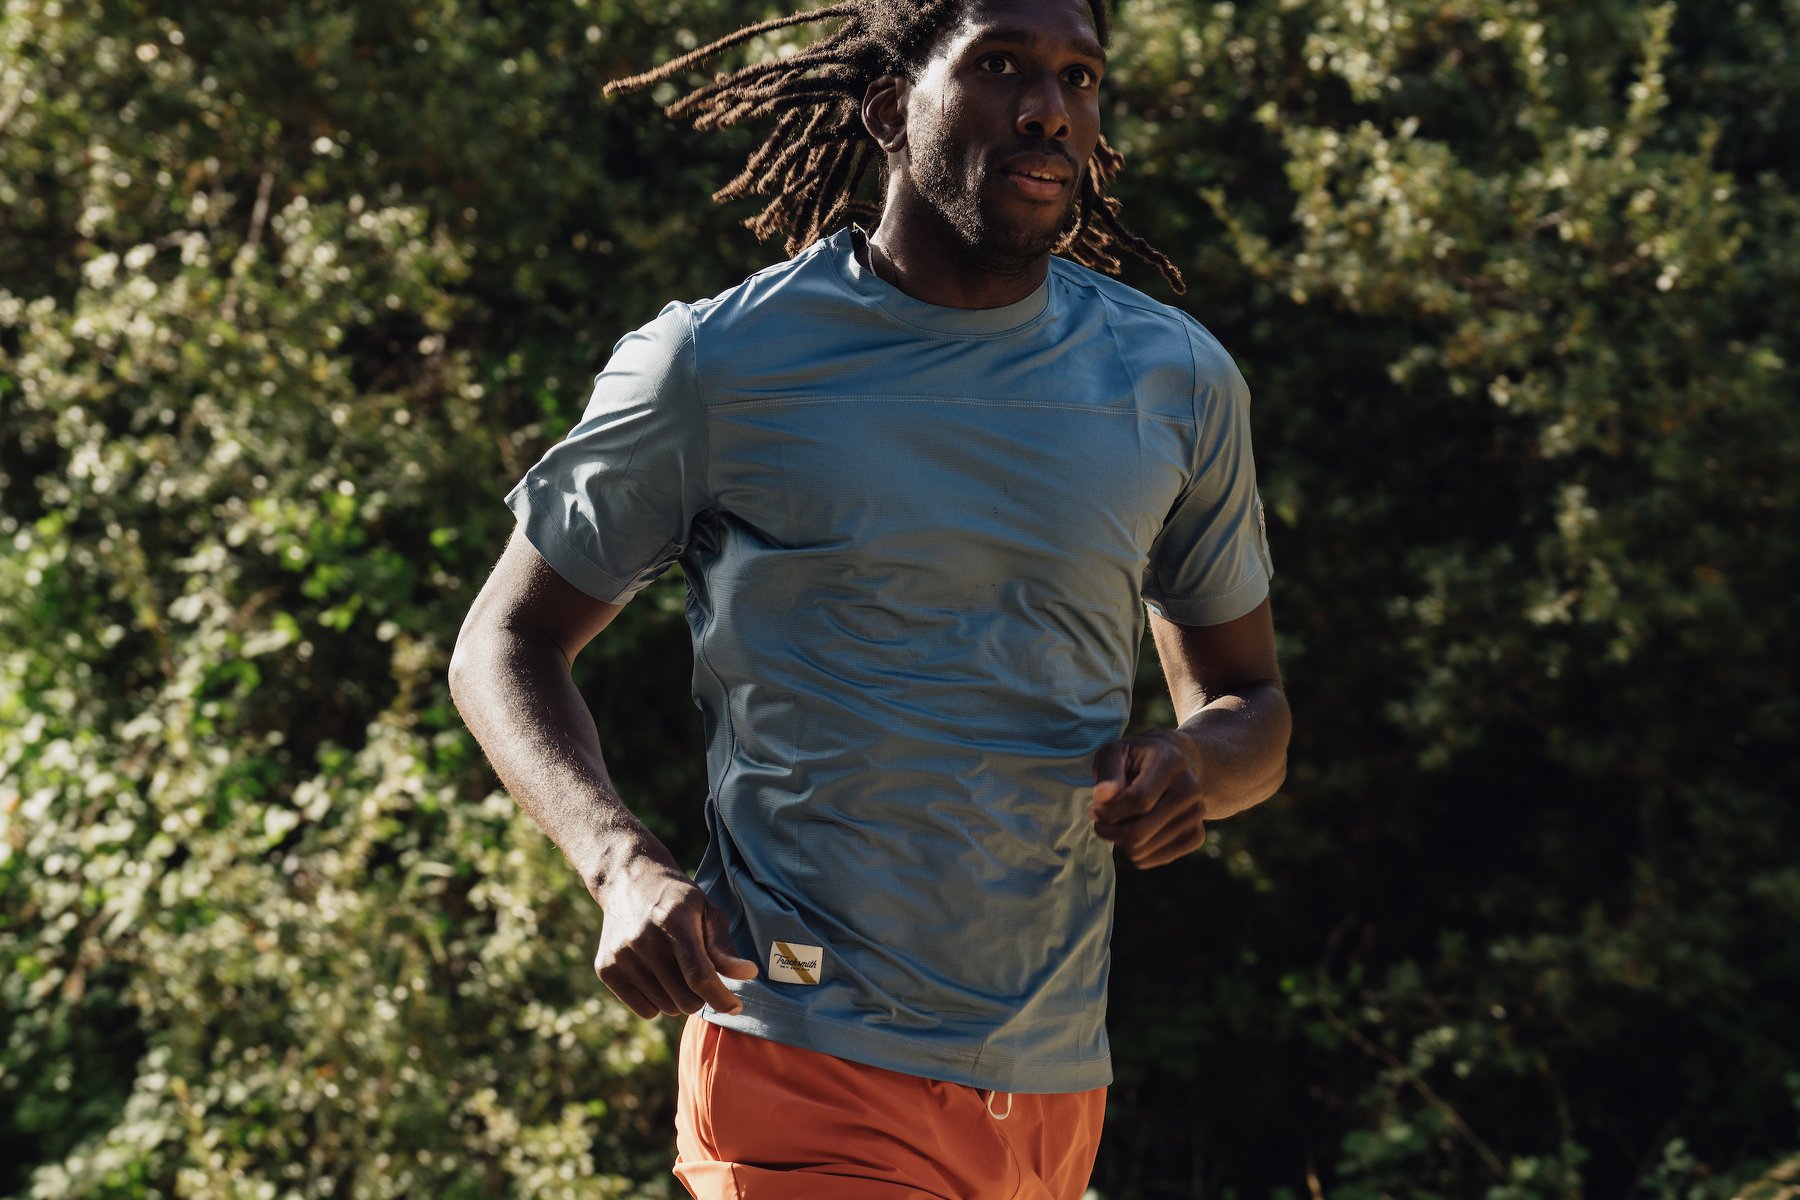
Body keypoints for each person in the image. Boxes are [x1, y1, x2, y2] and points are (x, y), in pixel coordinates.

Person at [448, 0, 1291, 1196]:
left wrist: (1197, 766)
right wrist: (619, 864)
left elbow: (1252, 707)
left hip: (1053, 1085)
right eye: (1001, 66)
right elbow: (505, 642)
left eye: (1079, 77)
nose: (1049, 108)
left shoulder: (1176, 380)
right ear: (891, 109)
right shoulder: (719, 365)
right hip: (802, 1056)